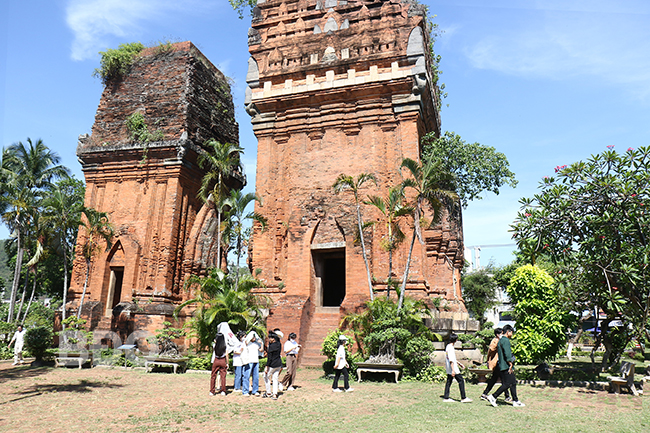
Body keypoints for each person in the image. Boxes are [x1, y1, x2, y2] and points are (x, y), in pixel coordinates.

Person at [487, 324, 525, 407]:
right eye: (512, 333)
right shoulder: (505, 340)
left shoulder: (501, 340)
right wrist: (510, 363)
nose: (512, 335)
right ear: (508, 332)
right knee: (507, 384)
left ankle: (515, 400)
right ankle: (493, 396)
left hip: (502, 364)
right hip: (506, 365)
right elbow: (507, 353)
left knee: (513, 382)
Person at [480, 328, 511, 403]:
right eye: (501, 333)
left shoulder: (501, 340)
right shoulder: (495, 341)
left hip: (499, 363)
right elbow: (491, 349)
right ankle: (506, 396)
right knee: (504, 380)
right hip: (497, 362)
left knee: (495, 379)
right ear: (498, 334)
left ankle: (485, 393)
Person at [443, 333, 472, 403]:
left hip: (450, 367)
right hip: (453, 368)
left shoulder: (448, 346)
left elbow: (452, 358)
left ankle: (446, 397)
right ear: (456, 340)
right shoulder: (451, 348)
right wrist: (453, 370)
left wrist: (459, 364)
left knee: (449, 382)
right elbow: (451, 360)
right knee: (461, 381)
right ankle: (463, 397)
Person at [241, 331, 264, 396]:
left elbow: (261, 350)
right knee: (246, 376)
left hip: (256, 361)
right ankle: (245, 391)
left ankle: (255, 390)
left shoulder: (256, 344)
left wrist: (261, 343)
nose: (254, 338)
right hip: (248, 361)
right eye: (253, 337)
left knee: (256, 377)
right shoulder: (247, 344)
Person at [264, 330, 284, 400]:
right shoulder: (279, 344)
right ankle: (275, 394)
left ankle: (268, 392)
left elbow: (269, 358)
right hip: (278, 364)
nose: (269, 339)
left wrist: (267, 366)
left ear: (273, 338)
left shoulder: (271, 346)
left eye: (270, 338)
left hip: (272, 365)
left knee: (266, 376)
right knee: (275, 379)